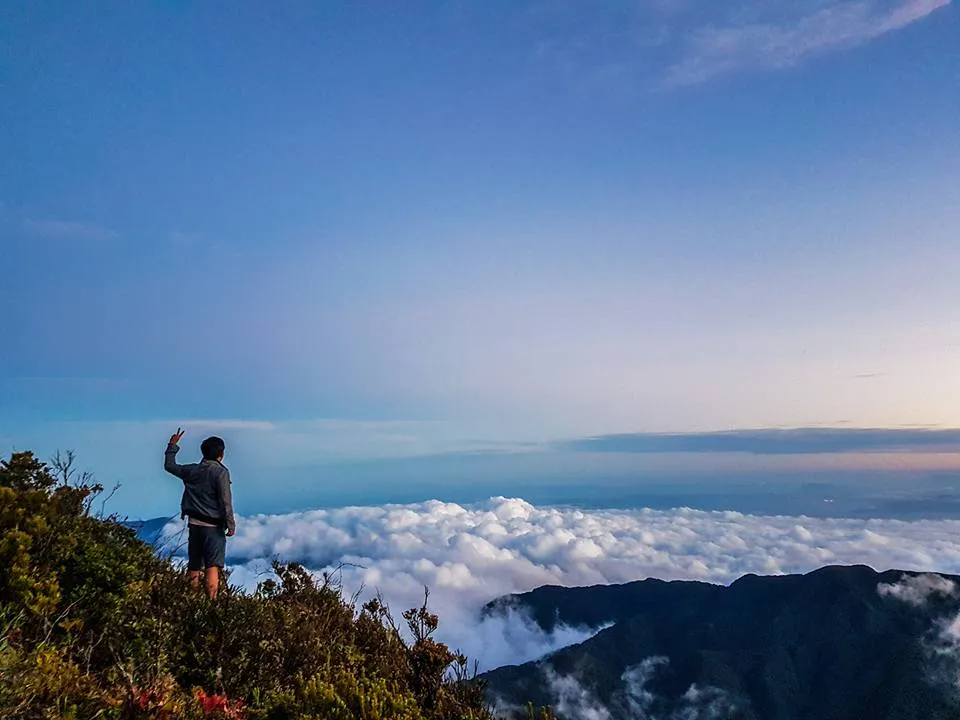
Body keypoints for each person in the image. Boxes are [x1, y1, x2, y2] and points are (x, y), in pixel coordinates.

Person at [164, 428, 236, 598]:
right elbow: (225, 500)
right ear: (221, 453)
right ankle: (211, 604)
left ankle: (190, 600)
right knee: (212, 566)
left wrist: (172, 446)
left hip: (194, 525)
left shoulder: (192, 471)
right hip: (213, 527)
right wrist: (230, 524)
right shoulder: (221, 472)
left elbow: (170, 466)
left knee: (194, 565)